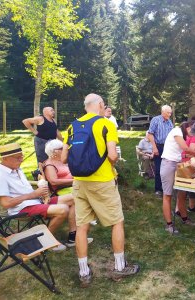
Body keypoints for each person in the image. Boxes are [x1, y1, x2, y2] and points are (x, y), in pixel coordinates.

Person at [62, 93, 140, 287]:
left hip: (79, 182)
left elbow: (64, 159)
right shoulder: (106, 124)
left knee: (82, 226)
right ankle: (119, 267)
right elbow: (113, 155)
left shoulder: (71, 126)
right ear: (100, 105)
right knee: (117, 222)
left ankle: (84, 273)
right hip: (102, 181)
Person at [0, 143, 77, 251]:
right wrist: (34, 194)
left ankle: (73, 236)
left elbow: (24, 188)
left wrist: (41, 187)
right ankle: (46, 241)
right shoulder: (1, 174)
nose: (21, 160)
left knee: (74, 197)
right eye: (18, 158)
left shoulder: (15, 167)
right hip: (22, 209)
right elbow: (6, 203)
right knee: (63, 209)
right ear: (5, 159)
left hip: (35, 201)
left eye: (22, 156)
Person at [160, 121, 195, 234]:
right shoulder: (177, 131)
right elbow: (185, 148)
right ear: (188, 127)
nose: (193, 134)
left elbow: (184, 153)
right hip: (168, 164)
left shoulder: (183, 135)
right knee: (167, 195)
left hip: (178, 164)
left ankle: (184, 218)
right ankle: (169, 224)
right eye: (193, 131)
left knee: (182, 193)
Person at [175, 121, 195, 215]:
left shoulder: (187, 136)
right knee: (188, 186)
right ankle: (185, 207)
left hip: (183, 162)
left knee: (182, 187)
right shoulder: (194, 138)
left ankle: (180, 208)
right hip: (189, 164)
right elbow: (191, 150)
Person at [148, 105, 173, 196]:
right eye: (168, 112)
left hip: (167, 148)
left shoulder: (170, 122)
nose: (170, 114)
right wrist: (154, 148)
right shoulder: (156, 120)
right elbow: (150, 134)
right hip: (158, 146)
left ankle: (166, 188)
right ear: (163, 112)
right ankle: (158, 189)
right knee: (158, 169)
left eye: (170, 113)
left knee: (167, 169)